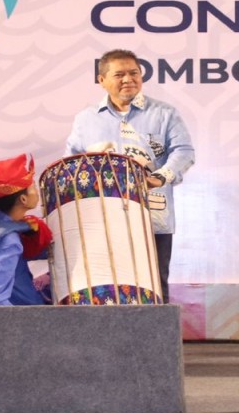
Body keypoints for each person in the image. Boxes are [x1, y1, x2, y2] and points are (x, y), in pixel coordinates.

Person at [65, 49, 195, 302]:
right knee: (105, 284)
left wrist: (159, 177)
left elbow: (184, 151)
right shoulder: (85, 119)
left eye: (134, 73)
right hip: (101, 219)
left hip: (152, 215)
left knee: (154, 284)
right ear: (101, 80)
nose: (128, 80)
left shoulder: (165, 113)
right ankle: (107, 340)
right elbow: (71, 164)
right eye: (119, 74)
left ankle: (157, 341)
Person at [0, 154, 53, 306]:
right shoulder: (9, 243)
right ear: (23, 199)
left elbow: (24, 253)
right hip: (21, 319)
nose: (36, 191)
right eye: (32, 186)